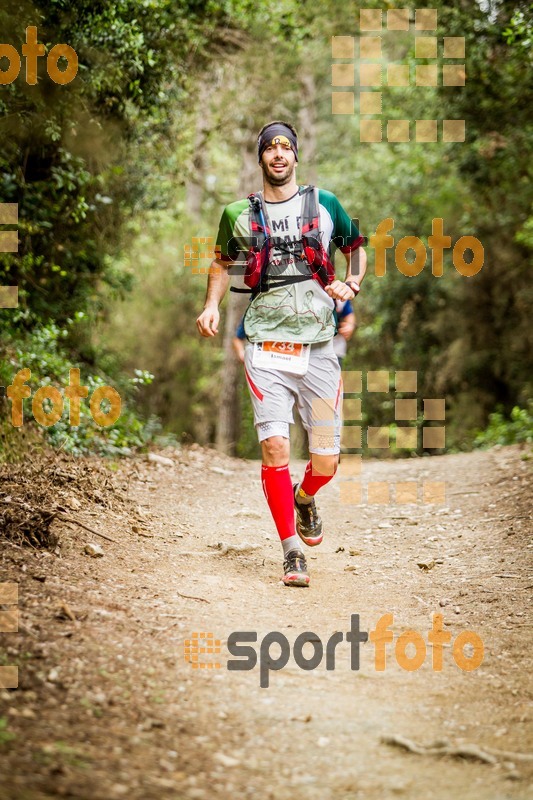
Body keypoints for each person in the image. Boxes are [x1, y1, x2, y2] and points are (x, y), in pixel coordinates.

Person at [196, 120, 367, 587]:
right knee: (275, 446)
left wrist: (352, 281)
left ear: (295, 156)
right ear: (260, 159)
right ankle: (291, 551)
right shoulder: (238, 214)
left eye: (285, 147)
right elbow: (219, 262)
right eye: (269, 148)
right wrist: (211, 305)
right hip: (266, 345)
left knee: (327, 460)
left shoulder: (325, 204)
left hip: (319, 347)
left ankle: (306, 497)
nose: (278, 154)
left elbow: (355, 247)